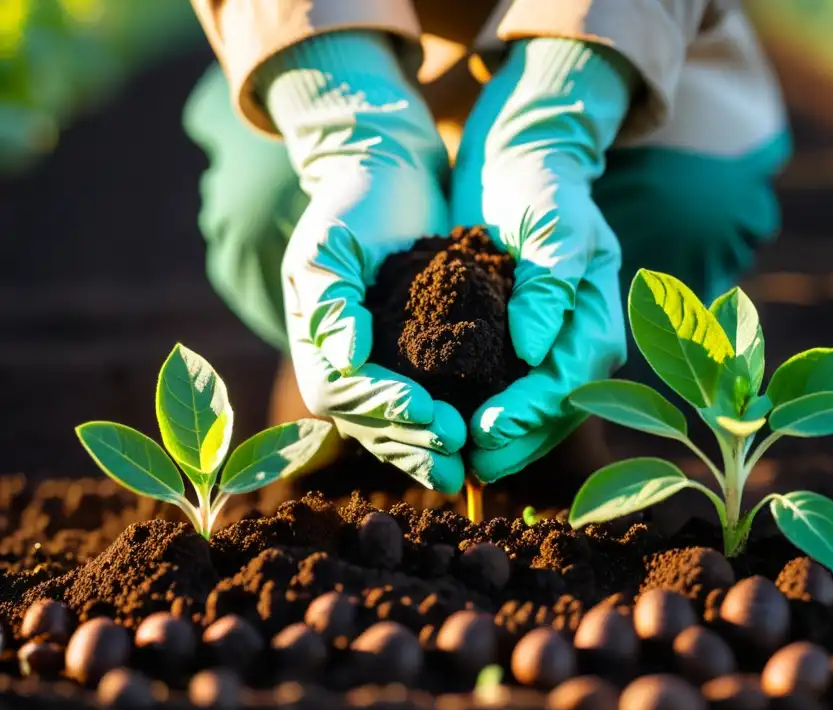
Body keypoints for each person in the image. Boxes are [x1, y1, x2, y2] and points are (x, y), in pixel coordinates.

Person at [184, 0, 791, 498]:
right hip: (346, 32)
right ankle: (352, 365)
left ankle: (562, 399)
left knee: (689, 203)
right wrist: (348, 126)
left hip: (624, 40)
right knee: (262, 205)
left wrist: (555, 114)